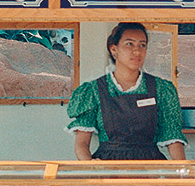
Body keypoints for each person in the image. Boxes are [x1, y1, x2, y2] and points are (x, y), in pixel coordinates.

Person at [67, 22, 186, 160]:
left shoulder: (161, 89)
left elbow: (173, 138)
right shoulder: (93, 91)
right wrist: (93, 169)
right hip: (108, 169)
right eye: (129, 44)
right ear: (114, 49)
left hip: (150, 169)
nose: (137, 51)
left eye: (142, 45)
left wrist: (183, 173)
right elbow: (81, 145)